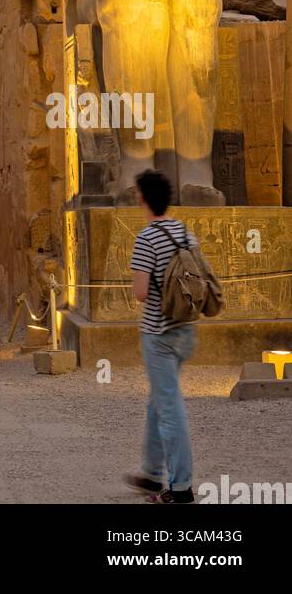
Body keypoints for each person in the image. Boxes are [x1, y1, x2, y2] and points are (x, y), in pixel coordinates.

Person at [127, 169, 200, 504]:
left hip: (158, 333)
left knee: (169, 408)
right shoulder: (186, 234)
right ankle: (153, 474)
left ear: (143, 198)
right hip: (185, 329)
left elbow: (141, 293)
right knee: (158, 402)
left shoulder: (147, 237)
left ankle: (181, 488)